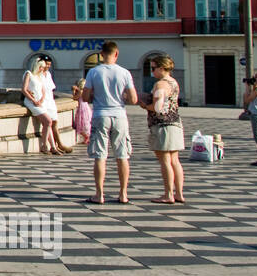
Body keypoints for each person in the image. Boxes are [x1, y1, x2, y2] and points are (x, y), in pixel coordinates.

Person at [81, 41, 138, 205]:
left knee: (100, 156)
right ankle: (123, 193)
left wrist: (95, 96)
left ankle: (99, 194)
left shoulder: (93, 72)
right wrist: (123, 97)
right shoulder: (125, 73)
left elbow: (85, 97)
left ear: (101, 54)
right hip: (119, 115)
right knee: (122, 156)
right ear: (116, 53)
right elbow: (133, 99)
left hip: (100, 114)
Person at [137, 54, 185, 203]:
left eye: (153, 68)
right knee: (175, 160)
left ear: (161, 68)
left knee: (165, 160)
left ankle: (168, 194)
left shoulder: (160, 84)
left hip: (162, 125)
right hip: (175, 123)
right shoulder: (173, 82)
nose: (152, 72)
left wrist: (145, 105)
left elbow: (158, 107)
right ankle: (179, 193)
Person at [22, 55, 60, 154]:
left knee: (48, 123)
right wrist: (33, 100)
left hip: (40, 103)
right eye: (41, 67)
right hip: (31, 102)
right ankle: (44, 145)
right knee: (48, 121)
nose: (43, 69)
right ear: (37, 66)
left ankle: (52, 147)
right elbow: (24, 89)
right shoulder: (28, 74)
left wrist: (42, 99)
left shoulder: (39, 76)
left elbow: (43, 90)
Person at [71, 78, 92, 144]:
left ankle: (87, 136)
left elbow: (75, 98)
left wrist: (74, 90)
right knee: (83, 123)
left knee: (81, 124)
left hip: (82, 108)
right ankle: (87, 137)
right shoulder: (84, 91)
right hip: (85, 107)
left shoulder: (81, 91)